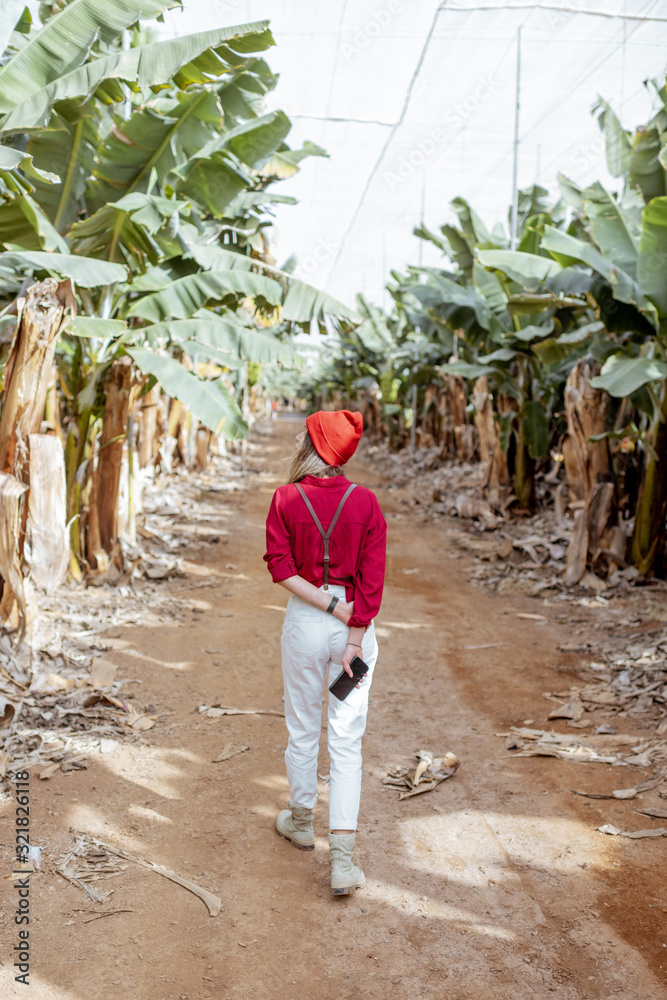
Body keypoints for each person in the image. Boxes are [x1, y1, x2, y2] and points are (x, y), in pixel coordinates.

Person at [264, 409, 387, 896]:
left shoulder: (284, 499)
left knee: (300, 725)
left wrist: (327, 605)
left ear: (313, 445)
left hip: (305, 621)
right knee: (346, 740)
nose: (297, 435)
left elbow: (280, 567)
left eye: (306, 431)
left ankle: (299, 822)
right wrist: (354, 634)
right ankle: (342, 859)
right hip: (353, 626)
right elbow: (372, 586)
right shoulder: (367, 504)